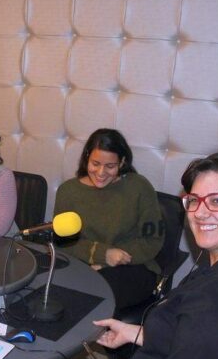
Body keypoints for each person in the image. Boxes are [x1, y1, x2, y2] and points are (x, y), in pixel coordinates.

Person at [0, 152, 218, 359]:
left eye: (217, 201)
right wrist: (135, 333)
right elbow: (194, 339)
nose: (200, 212)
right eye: (194, 200)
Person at [54, 129, 164, 309]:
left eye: (110, 166)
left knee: (91, 301)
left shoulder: (139, 187)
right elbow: (63, 243)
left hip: (132, 267)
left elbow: (152, 240)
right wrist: (102, 254)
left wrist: (111, 260)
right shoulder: (68, 191)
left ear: (122, 162)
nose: (101, 172)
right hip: (82, 265)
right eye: (95, 163)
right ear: (87, 157)